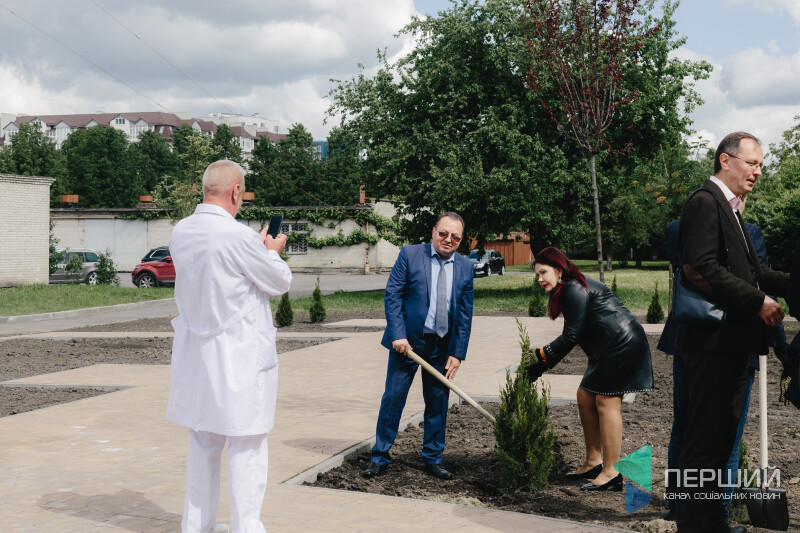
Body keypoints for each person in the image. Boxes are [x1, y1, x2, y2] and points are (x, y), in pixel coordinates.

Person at [166, 160, 291, 533]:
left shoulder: (181, 231)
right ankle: (246, 527)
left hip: (198, 355)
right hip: (239, 358)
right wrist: (271, 250)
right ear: (236, 191)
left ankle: (197, 526)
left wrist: (256, 248)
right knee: (245, 445)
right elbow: (278, 280)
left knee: (203, 443)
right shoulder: (238, 237)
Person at [674, 132, 789, 532]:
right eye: (752, 163)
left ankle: (710, 523)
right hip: (713, 345)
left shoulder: (731, 208)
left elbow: (755, 274)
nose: (758, 172)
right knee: (705, 441)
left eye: (761, 165)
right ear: (726, 160)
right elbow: (699, 266)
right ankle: (695, 526)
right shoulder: (705, 202)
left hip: (731, 345)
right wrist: (758, 302)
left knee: (720, 441)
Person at [522, 246, 653, 491]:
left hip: (621, 344)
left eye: (543, 272)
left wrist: (540, 358)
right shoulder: (569, 287)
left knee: (606, 401)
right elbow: (574, 333)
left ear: (559, 269)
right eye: (537, 274)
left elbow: (571, 336)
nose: (539, 279)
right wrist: (541, 360)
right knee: (585, 396)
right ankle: (593, 461)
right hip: (608, 346)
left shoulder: (574, 288)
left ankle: (611, 472)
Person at [362, 212, 474, 481]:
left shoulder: (466, 267)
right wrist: (398, 335)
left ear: (461, 240)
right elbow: (393, 295)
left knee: (438, 403)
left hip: (442, 347)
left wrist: (458, 353)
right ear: (433, 231)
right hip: (407, 344)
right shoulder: (410, 255)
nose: (448, 239)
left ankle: (433, 458)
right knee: (393, 399)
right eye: (443, 233)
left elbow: (464, 314)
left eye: (455, 237)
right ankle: (379, 457)